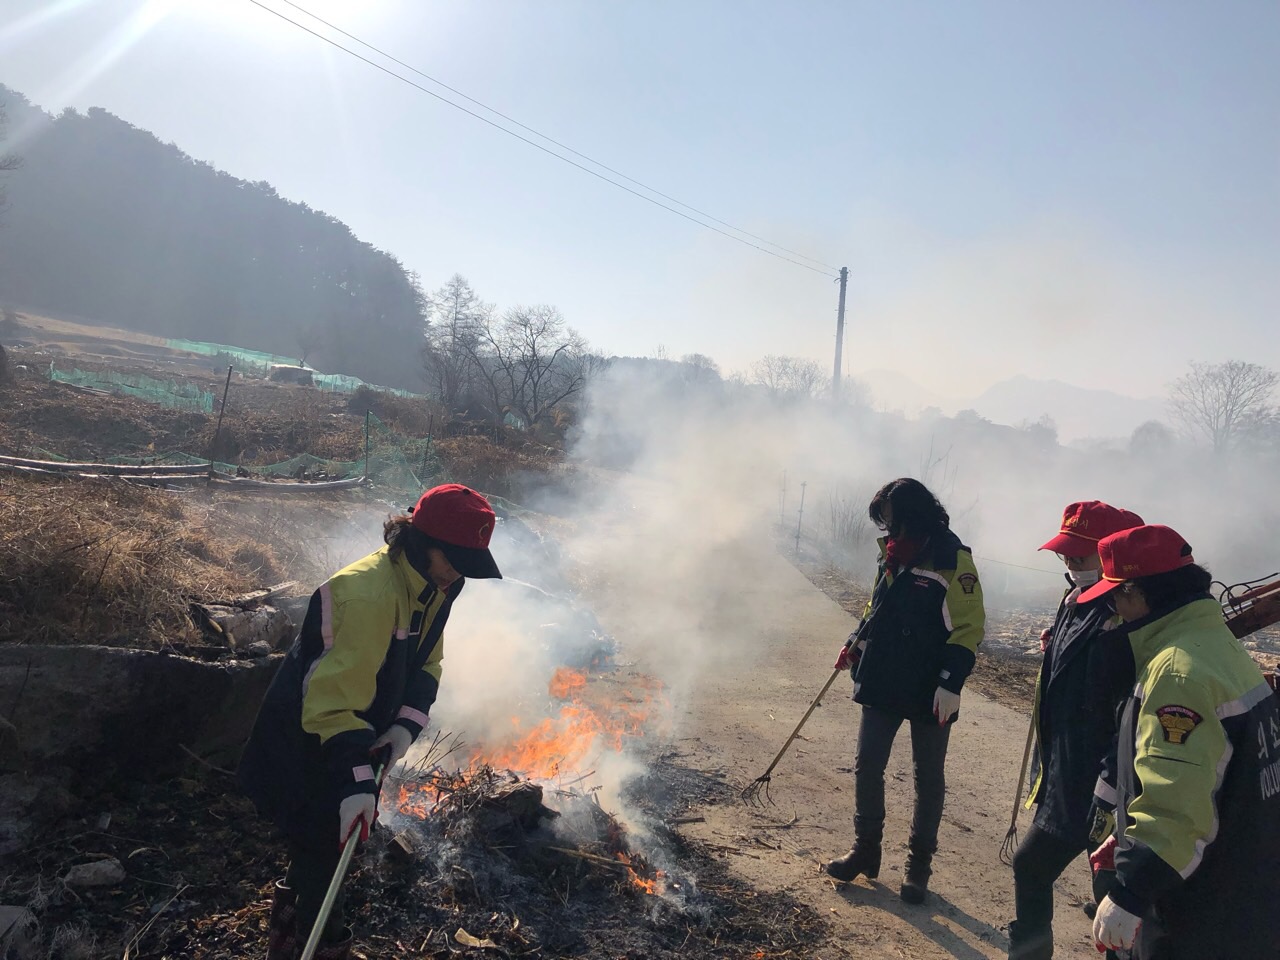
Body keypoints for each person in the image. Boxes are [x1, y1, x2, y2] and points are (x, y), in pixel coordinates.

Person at [238, 484, 502, 960]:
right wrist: (356, 779)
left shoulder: (434, 585)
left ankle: (288, 939)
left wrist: (402, 730)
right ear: (423, 543)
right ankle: (318, 947)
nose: (459, 572)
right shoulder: (366, 595)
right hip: (308, 743)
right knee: (323, 847)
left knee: (323, 850)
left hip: (353, 736)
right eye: (455, 559)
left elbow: (428, 665)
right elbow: (330, 708)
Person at [1082, 524, 1280, 959]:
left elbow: (1178, 806)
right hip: (1240, 887)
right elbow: (1209, 775)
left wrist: (1134, 888)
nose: (1115, 611)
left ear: (1137, 593)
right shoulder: (1216, 646)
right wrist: (1131, 835)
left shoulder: (1177, 672)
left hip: (1195, 909)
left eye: (1115, 598)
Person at [825, 478, 985, 904]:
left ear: (913, 515)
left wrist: (952, 682)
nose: (888, 529)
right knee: (867, 764)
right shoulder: (892, 553)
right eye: (884, 522)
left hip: (932, 685)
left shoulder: (952, 559)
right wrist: (856, 641)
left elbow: (969, 627)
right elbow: (877, 605)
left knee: (927, 777)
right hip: (883, 673)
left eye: (892, 520)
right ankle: (865, 849)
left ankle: (918, 867)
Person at [1007, 501, 1143, 960]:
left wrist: (1110, 784)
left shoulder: (1126, 616)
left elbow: (1128, 711)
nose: (1069, 562)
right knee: (1034, 867)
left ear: (1111, 558)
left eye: (1079, 556)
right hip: (1067, 770)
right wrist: (1058, 646)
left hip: (1106, 782)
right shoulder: (1075, 600)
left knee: (1112, 896)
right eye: (1064, 554)